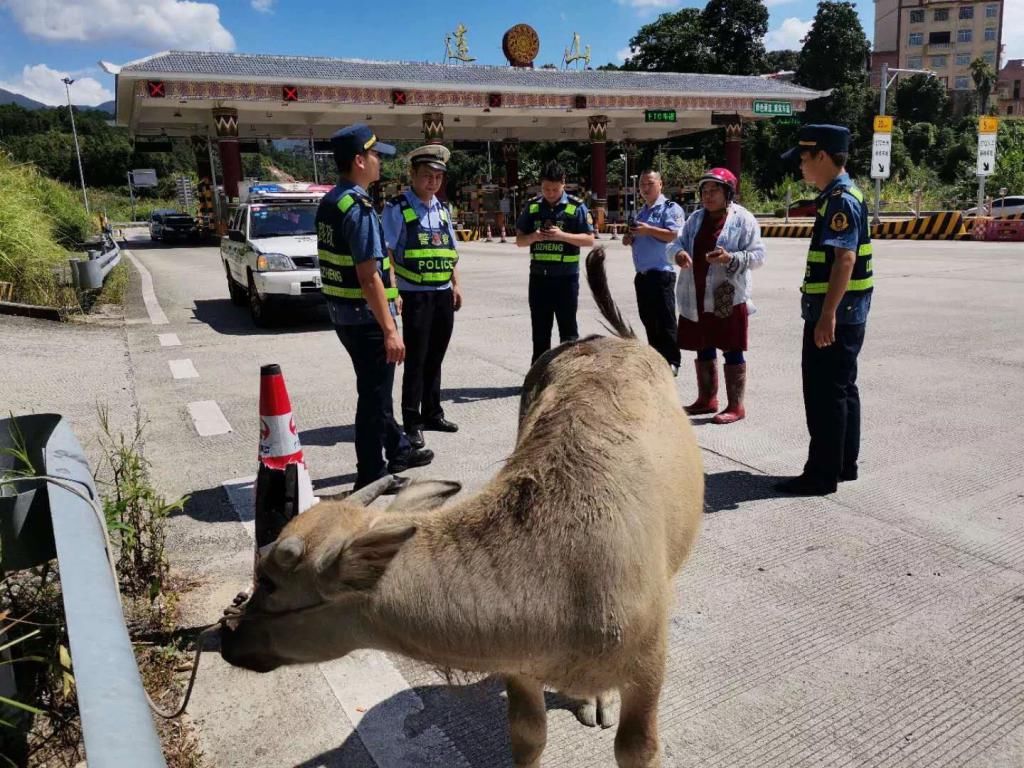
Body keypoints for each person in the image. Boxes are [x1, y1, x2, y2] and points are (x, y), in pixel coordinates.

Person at [315, 124, 433, 492]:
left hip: (343, 315)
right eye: (375, 155)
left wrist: (391, 288)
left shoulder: (332, 201)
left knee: (373, 389)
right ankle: (371, 473)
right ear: (358, 160)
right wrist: (390, 330)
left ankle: (398, 447)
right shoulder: (361, 209)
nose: (379, 161)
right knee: (374, 397)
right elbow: (368, 277)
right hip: (365, 319)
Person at [774, 125, 873, 495]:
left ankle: (821, 473)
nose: (801, 167)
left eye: (803, 159)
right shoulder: (845, 194)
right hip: (848, 311)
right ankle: (844, 464)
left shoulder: (840, 200)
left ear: (822, 156)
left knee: (823, 393)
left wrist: (827, 316)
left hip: (836, 314)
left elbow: (844, 260)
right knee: (843, 388)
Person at [667, 167, 765, 424]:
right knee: (703, 344)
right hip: (696, 292)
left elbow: (757, 256)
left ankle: (736, 406)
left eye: (714, 191)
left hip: (727, 295)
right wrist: (677, 254)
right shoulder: (695, 219)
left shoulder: (743, 219)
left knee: (732, 347)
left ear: (728, 193)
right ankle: (707, 399)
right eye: (705, 191)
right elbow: (675, 243)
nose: (708, 196)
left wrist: (730, 258)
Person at [383, 144, 463, 450]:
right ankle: (412, 420)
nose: (433, 182)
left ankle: (432, 412)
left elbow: (450, 253)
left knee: (436, 356)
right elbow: (387, 252)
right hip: (414, 295)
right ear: (413, 175)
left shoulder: (443, 209)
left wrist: (456, 284)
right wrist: (393, 292)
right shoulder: (397, 207)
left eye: (438, 177)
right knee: (415, 360)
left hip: (442, 294)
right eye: (427, 176)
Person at [515, 161, 595, 363]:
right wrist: (533, 237)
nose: (549, 193)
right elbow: (519, 240)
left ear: (563, 184)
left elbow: (589, 240)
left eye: (554, 189)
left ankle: (570, 376)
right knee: (540, 331)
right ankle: (539, 377)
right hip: (539, 279)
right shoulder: (533, 207)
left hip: (566, 280)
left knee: (568, 332)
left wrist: (562, 235)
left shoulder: (576, 207)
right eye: (545, 189)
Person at [622, 169, 685, 373]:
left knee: (665, 318)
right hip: (642, 275)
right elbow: (641, 238)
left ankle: (672, 361)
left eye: (650, 183)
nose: (645, 188)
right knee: (649, 319)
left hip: (662, 273)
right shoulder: (642, 212)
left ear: (660, 184)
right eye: (642, 184)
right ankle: (656, 359)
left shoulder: (670, 208)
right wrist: (630, 239)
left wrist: (648, 230)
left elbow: (674, 235)